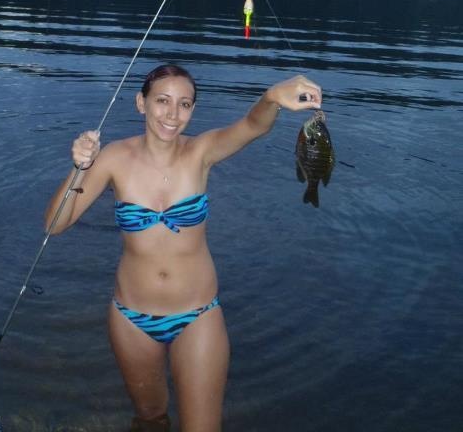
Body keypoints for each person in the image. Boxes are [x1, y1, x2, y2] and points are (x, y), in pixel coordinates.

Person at [45, 64, 322, 432]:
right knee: (150, 419)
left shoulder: (201, 152)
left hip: (198, 316)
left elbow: (251, 127)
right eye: (162, 101)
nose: (173, 114)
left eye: (185, 104)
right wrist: (80, 166)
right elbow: (55, 225)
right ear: (140, 103)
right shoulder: (112, 157)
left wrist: (272, 97)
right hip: (131, 319)